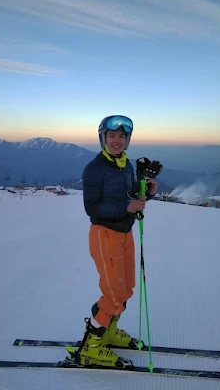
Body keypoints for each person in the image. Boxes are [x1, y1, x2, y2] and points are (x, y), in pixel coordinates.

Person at [77, 115, 158, 368]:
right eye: (111, 136)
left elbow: (130, 194)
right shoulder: (94, 169)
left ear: (127, 140)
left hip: (125, 232)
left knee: (126, 289)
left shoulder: (125, 165)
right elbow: (92, 207)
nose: (116, 140)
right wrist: (127, 205)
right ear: (103, 138)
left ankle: (109, 332)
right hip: (105, 234)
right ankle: (89, 348)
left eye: (121, 136)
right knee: (113, 294)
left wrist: (145, 189)